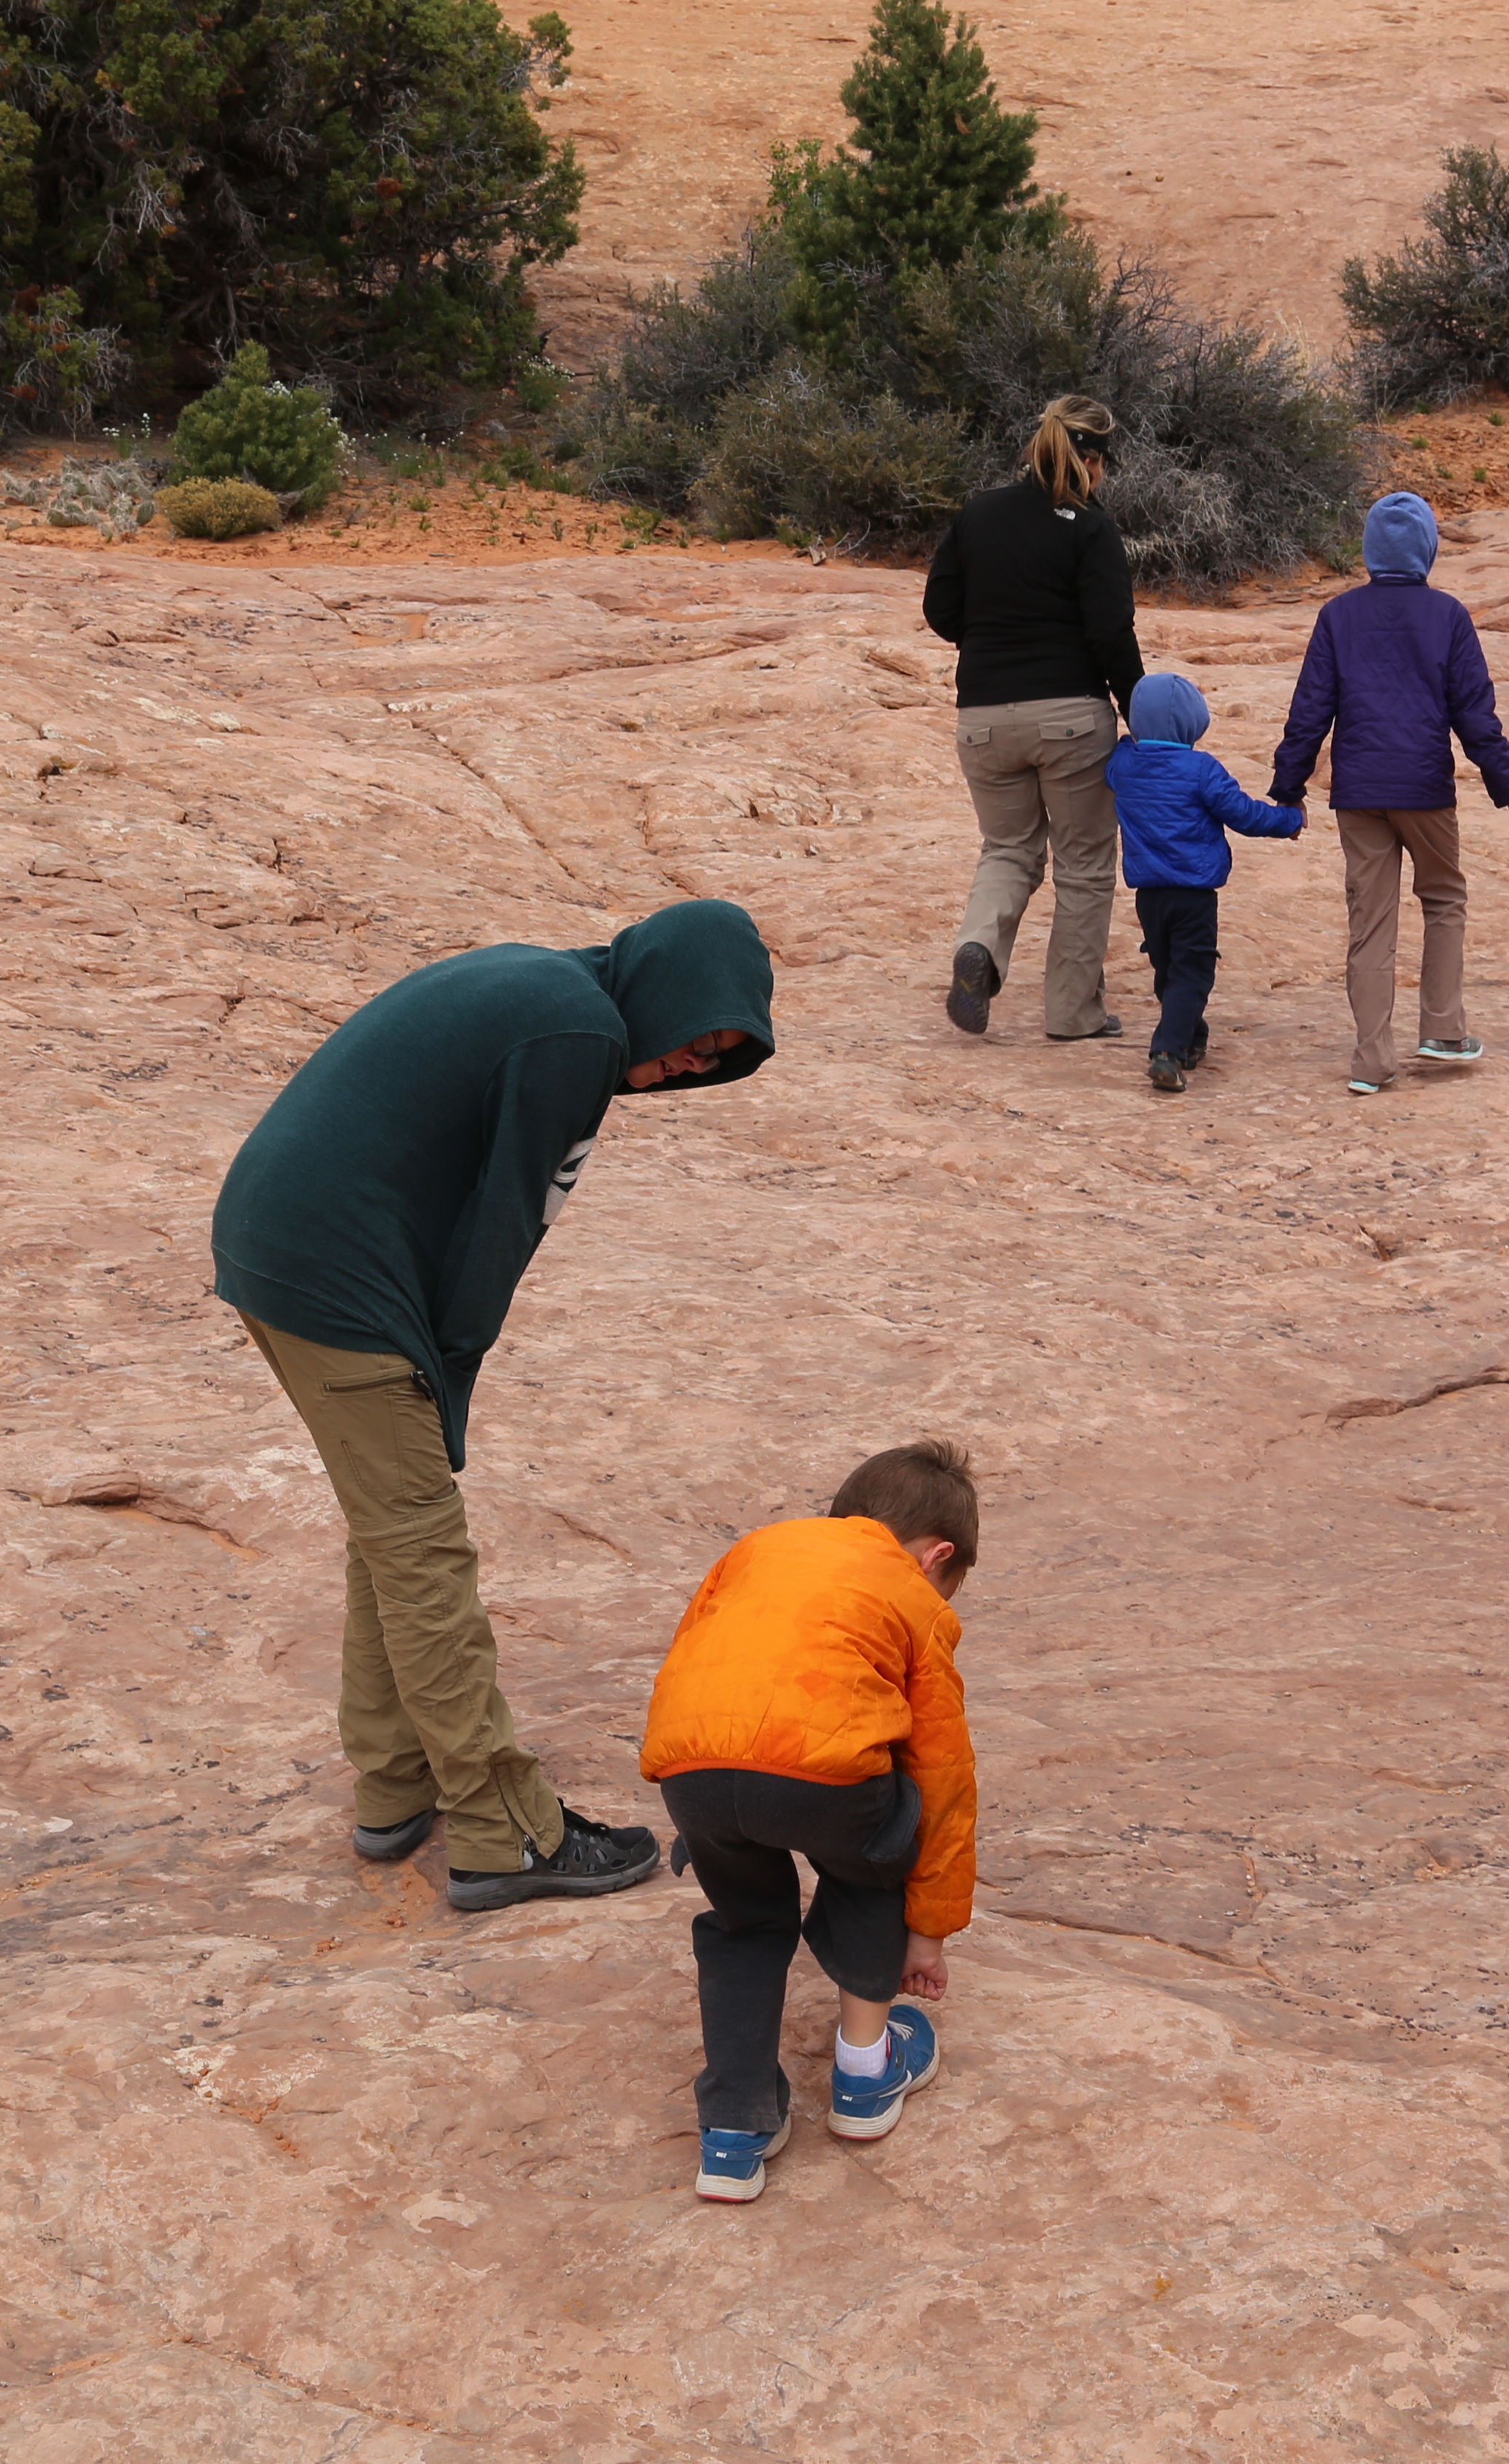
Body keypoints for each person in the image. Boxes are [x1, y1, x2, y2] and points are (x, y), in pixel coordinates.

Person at [211, 898, 777, 1912]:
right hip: (335, 1279)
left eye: (718, 1060)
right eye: (700, 1039)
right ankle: (502, 1831)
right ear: (670, 992)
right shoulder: (578, 1037)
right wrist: (448, 1378)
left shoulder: (553, 981)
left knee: (390, 1531)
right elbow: (502, 1233)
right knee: (424, 1550)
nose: (694, 1065)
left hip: (280, 1243)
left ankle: (395, 1783)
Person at [638, 1438, 981, 2203]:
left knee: (746, 1922)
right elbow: (944, 1776)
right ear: (937, 1556)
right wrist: (930, 1924)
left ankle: (733, 2130)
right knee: (878, 1850)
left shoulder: (757, 1549)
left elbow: (693, 1651)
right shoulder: (913, 1597)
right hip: (825, 1779)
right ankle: (864, 2074)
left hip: (692, 1766)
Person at [1266, 492, 1509, 1096]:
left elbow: (1309, 713)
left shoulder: (1338, 615)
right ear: (1427, 549)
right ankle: (1444, 1031)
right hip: (1425, 788)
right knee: (1444, 896)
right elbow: (1476, 718)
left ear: (1370, 550)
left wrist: (1288, 790)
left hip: (1359, 792)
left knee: (1370, 924)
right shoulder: (1447, 616)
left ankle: (1371, 1062)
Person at [923, 394, 1146, 1045]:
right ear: (1096, 460)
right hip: (1071, 718)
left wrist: (990, 639)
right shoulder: (1092, 527)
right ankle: (1073, 1014)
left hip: (983, 719)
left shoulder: (979, 513)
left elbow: (941, 609)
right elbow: (1111, 631)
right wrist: (1139, 711)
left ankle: (980, 949)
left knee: (1008, 850)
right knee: (1083, 865)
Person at [1102, 672, 1305, 1096]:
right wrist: (1289, 819)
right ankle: (1168, 1053)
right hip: (1193, 894)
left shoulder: (1124, 764)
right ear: (1194, 723)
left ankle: (1192, 1038)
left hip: (1149, 895)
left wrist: (1129, 738)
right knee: (1193, 973)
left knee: (1168, 968)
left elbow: (1118, 754)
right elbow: (1245, 815)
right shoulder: (1201, 770)